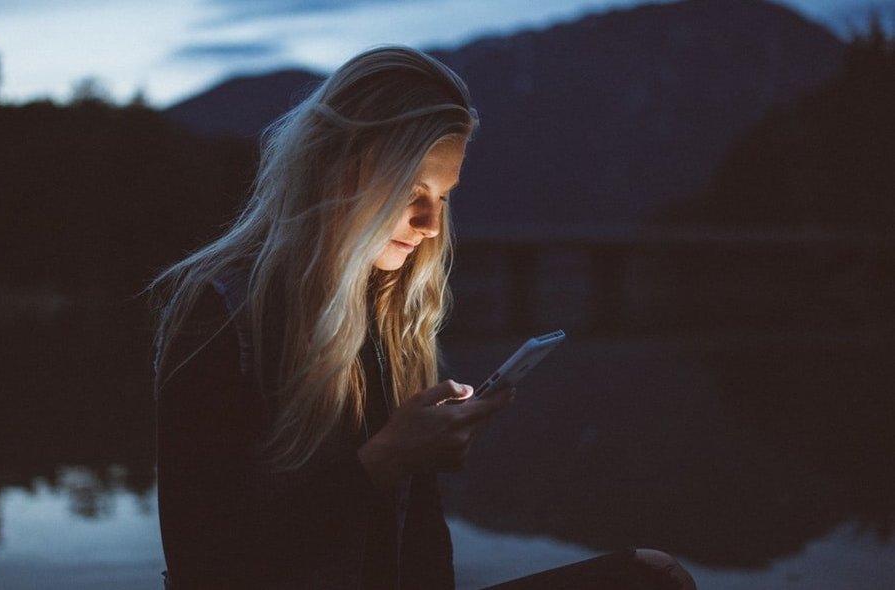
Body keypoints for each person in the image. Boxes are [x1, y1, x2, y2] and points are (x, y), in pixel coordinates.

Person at [149, 46, 695, 590]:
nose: (431, 223)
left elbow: (422, 537)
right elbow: (205, 560)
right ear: (339, 167)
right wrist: (382, 463)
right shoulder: (221, 311)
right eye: (413, 190)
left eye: (442, 195)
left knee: (654, 577)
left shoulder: (389, 311)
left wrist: (414, 457)